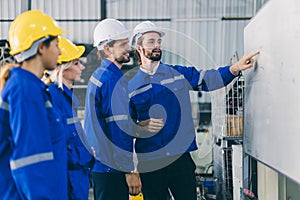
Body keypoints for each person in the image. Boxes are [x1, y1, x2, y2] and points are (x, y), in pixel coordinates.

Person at [129, 20, 260, 200]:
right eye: (151, 42)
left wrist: (235, 68)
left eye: (159, 41)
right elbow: (125, 127)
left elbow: (209, 79)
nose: (157, 46)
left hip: (179, 159)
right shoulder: (130, 87)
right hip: (150, 163)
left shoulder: (177, 74)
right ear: (139, 47)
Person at [0, 10, 68, 199]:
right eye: (56, 45)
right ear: (41, 47)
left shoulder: (30, 87)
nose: (60, 52)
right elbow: (30, 160)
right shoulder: (25, 90)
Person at [84, 18, 142, 200]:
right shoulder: (112, 80)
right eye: (123, 44)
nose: (129, 48)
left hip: (102, 165)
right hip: (112, 168)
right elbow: (118, 128)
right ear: (107, 49)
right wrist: (129, 171)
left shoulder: (100, 74)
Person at [48, 37, 94, 200]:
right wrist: (81, 156)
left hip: (77, 172)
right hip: (69, 175)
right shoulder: (53, 97)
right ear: (63, 68)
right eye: (76, 63)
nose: (82, 67)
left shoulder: (67, 97)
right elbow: (56, 141)